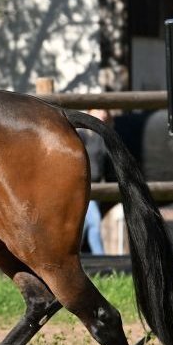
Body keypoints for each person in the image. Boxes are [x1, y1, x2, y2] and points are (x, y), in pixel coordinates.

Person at [79, 108, 111, 255]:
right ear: (90, 112)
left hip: (96, 188)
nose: (103, 113)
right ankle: (101, 257)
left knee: (85, 225)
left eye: (105, 111)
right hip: (82, 187)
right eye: (99, 110)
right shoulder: (82, 135)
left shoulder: (102, 137)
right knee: (94, 222)